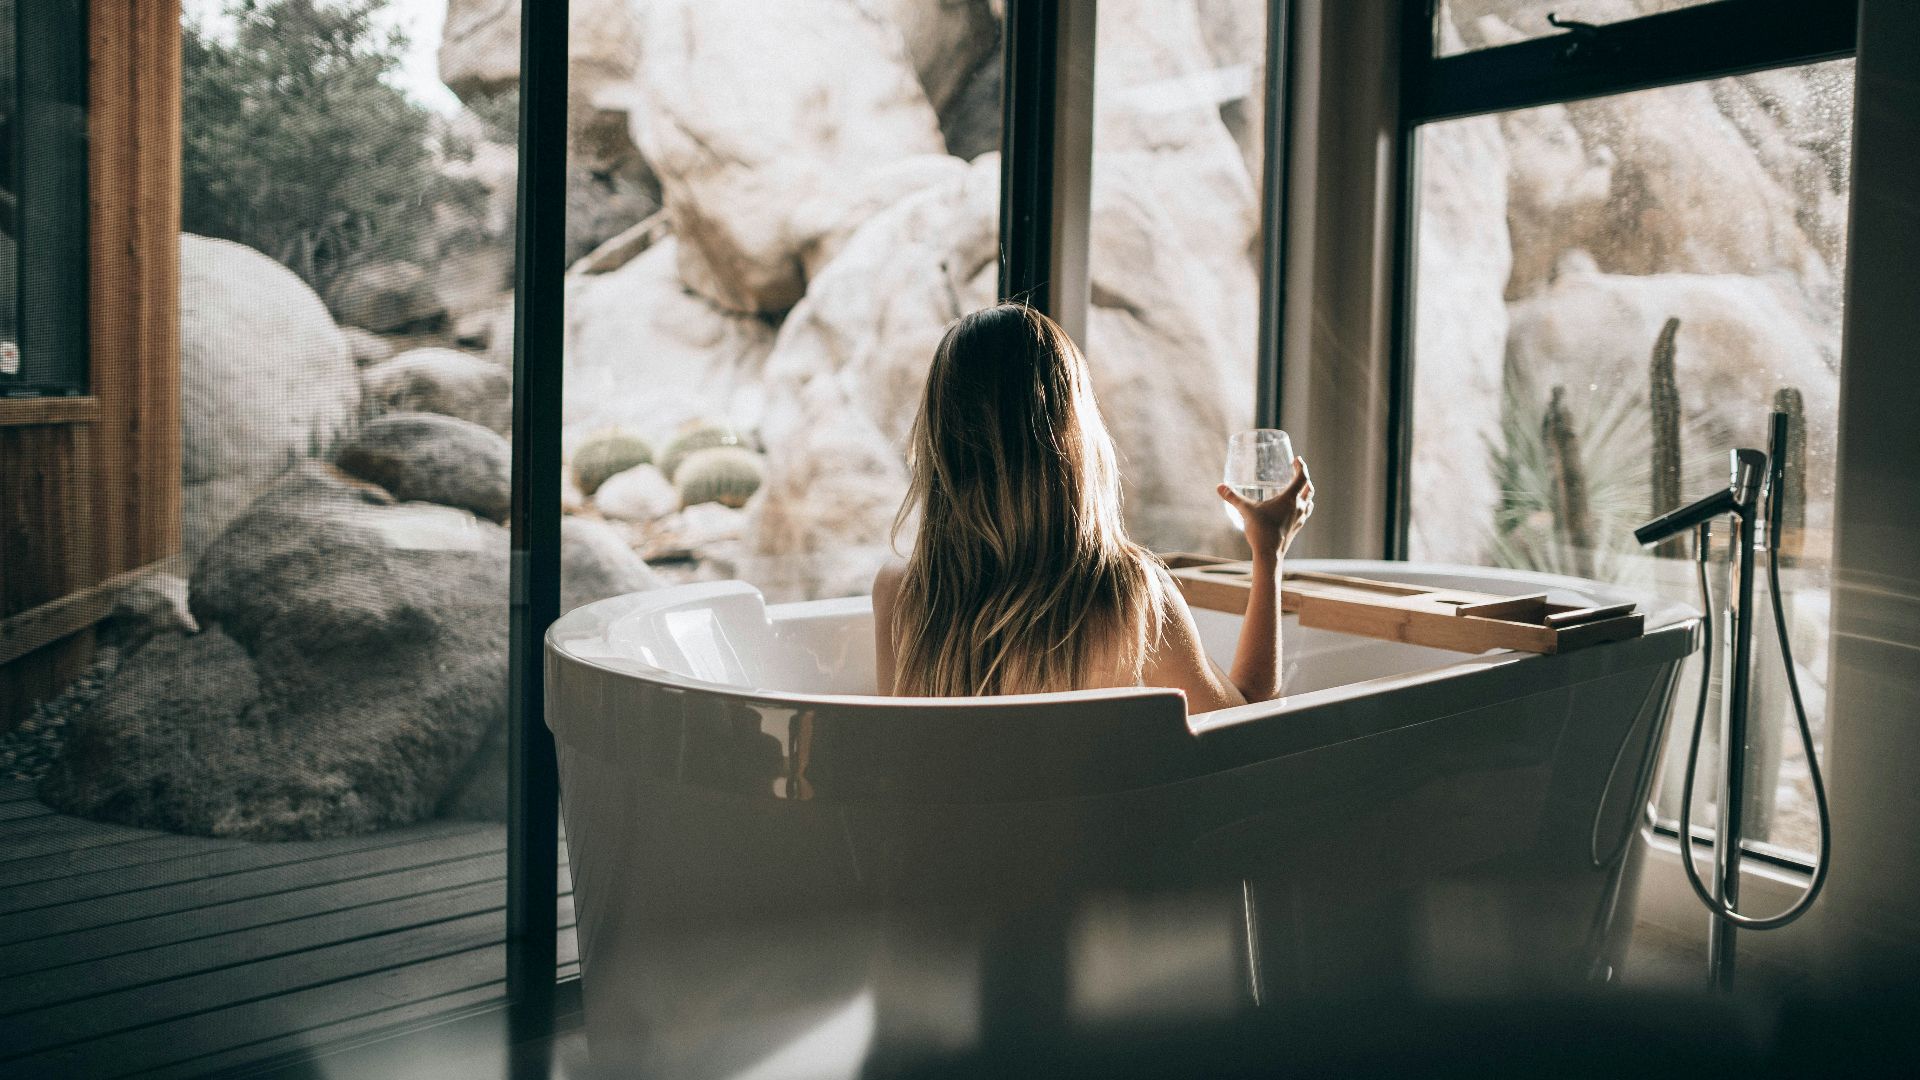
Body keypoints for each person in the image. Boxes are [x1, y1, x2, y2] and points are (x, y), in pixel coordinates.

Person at [872, 303, 1313, 713]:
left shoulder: (900, 593)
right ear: (1074, 440)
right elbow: (1244, 726)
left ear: (939, 443)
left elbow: (902, 755)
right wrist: (1268, 553)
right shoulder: (1129, 596)